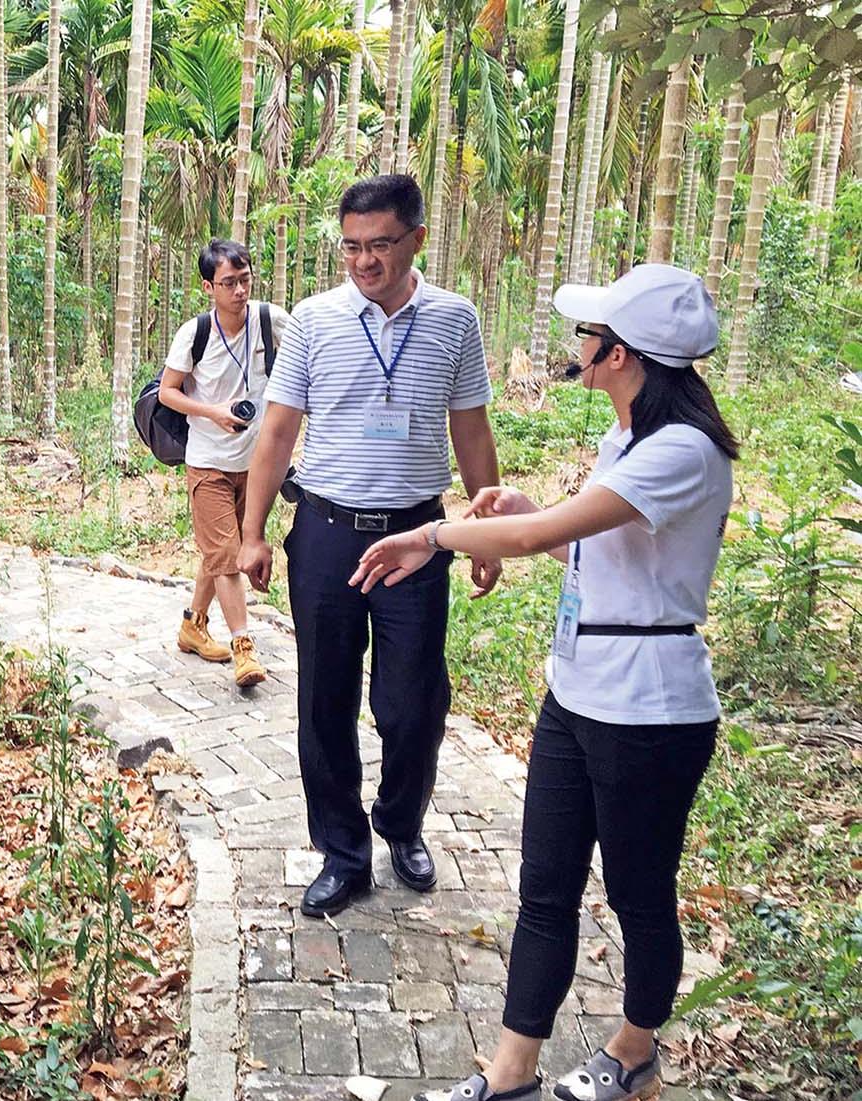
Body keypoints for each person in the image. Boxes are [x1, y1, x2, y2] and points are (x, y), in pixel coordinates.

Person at [352, 264, 735, 1101]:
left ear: (619, 354)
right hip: (577, 692)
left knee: (639, 892)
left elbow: (548, 536)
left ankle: (633, 1051)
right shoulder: (626, 441)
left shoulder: (683, 451)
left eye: (589, 336)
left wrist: (434, 534)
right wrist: (524, 505)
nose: (580, 347)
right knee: (545, 889)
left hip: (651, 708)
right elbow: (587, 550)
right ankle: (510, 1072)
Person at [237, 174, 501, 917]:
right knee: (324, 702)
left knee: (413, 703)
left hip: (418, 540)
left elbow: (471, 429)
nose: (364, 261)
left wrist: (484, 530)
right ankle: (343, 851)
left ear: (418, 238)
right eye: (352, 246)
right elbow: (278, 431)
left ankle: (401, 822)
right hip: (324, 534)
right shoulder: (316, 321)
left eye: (381, 244)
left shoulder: (454, 320)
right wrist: (254, 533)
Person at [157, 239, 290, 688]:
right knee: (228, 556)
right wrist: (214, 412)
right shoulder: (194, 333)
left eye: (245, 279)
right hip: (209, 462)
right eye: (229, 283)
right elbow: (167, 392)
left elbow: (305, 358)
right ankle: (243, 648)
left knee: (219, 552)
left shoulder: (270, 321)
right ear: (208, 286)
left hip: (254, 467)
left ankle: (194, 625)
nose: (239, 291)